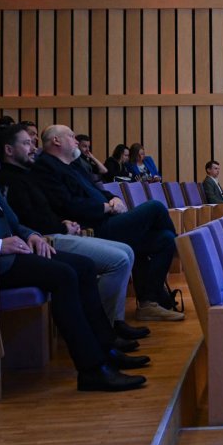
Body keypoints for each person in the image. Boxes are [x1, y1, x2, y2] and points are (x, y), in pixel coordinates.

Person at [0, 107, 148, 392]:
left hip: (11, 251)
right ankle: (92, 369)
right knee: (63, 275)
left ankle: (106, 350)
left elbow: (11, 218)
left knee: (84, 266)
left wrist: (32, 234)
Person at [0, 124, 149, 342]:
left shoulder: (28, 174)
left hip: (56, 231)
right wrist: (63, 225)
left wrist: (63, 222)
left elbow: (44, 211)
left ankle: (114, 323)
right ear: (9, 150)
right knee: (121, 258)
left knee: (129, 251)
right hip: (45, 239)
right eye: (27, 143)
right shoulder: (10, 180)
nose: (33, 147)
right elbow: (23, 220)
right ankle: (105, 329)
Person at [32, 126, 183, 321]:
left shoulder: (74, 165)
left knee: (165, 239)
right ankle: (183, 253)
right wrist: (106, 208)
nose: (76, 141)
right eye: (71, 136)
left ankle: (148, 303)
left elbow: (97, 190)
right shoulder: (46, 168)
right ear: (56, 141)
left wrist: (114, 198)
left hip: (108, 219)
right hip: (92, 229)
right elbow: (68, 206)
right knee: (155, 207)